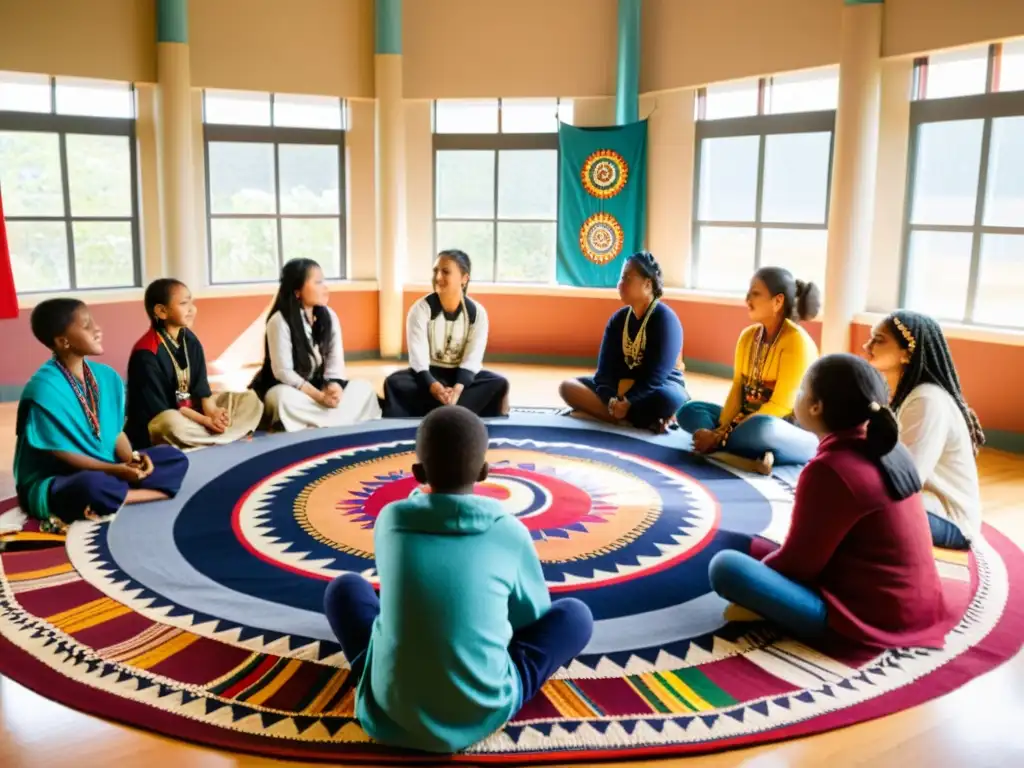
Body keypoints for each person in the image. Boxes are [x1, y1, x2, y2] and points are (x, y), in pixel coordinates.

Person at [323, 406, 593, 753]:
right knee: (575, 616)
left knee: (343, 590)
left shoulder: (390, 521)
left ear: (418, 473)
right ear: (485, 471)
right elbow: (532, 618)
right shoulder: (509, 531)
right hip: (482, 708)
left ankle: (374, 675)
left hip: (392, 711)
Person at [708, 353, 956, 649]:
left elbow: (798, 566)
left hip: (867, 620)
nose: (797, 397)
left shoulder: (832, 469)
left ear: (816, 406)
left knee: (725, 568)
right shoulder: (887, 445)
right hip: (913, 604)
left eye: (801, 390)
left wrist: (761, 579)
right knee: (740, 541)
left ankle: (768, 610)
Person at [14, 299, 189, 533]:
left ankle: (116, 499)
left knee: (173, 458)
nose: (98, 329)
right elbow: (61, 453)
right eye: (87, 325)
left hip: (109, 468)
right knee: (92, 486)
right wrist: (116, 471)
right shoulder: (43, 390)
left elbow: (115, 433)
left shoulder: (107, 377)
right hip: (62, 478)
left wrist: (132, 460)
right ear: (62, 341)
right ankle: (142, 495)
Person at [677, 267, 821, 473]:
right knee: (689, 411)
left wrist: (720, 435)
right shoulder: (748, 337)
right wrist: (722, 427)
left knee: (762, 429)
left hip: (784, 428)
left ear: (777, 302)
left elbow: (780, 406)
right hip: (744, 422)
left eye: (755, 293)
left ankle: (726, 448)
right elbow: (738, 388)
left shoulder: (797, 342)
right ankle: (748, 454)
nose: (747, 299)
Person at [863, 310, 984, 550]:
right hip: (923, 505)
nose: (868, 345)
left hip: (951, 522)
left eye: (879, 339)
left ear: (907, 353)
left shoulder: (928, 400)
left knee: (857, 508)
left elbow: (907, 478)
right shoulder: (909, 394)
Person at [558, 252, 689, 432]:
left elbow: (656, 377)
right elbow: (603, 374)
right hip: (620, 390)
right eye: (621, 278)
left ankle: (615, 415)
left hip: (658, 388)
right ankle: (627, 419)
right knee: (569, 387)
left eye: (627, 277)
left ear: (648, 284)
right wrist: (611, 399)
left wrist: (629, 400)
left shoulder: (665, 319)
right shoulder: (618, 320)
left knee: (666, 400)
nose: (620, 284)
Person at [125, 278, 263, 449]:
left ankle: (212, 436)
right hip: (162, 421)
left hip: (194, 412)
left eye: (192, 302)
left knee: (250, 400)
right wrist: (205, 420)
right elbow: (164, 410)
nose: (192, 309)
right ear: (161, 311)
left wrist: (213, 413)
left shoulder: (190, 340)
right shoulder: (146, 353)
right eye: (184, 303)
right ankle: (224, 434)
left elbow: (202, 391)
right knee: (170, 424)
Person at [249, 258, 381, 430]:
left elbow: (335, 361)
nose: (325, 287)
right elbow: (283, 372)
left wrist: (335, 388)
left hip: (321, 389)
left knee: (364, 388)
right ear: (297, 291)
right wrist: (319, 397)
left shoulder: (330, 317)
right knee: (280, 398)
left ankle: (316, 423)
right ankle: (339, 420)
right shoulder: (279, 321)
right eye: (318, 282)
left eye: (323, 281)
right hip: (296, 391)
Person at [382, 249, 509, 418]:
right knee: (394, 383)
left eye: (446, 272)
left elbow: (473, 358)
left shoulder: (477, 313)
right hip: (429, 377)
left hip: (461, 378)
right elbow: (418, 358)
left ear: (464, 279)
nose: (438, 277)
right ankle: (457, 411)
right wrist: (434, 386)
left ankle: (436, 411)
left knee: (499, 383)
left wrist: (457, 388)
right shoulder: (420, 309)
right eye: (436, 271)